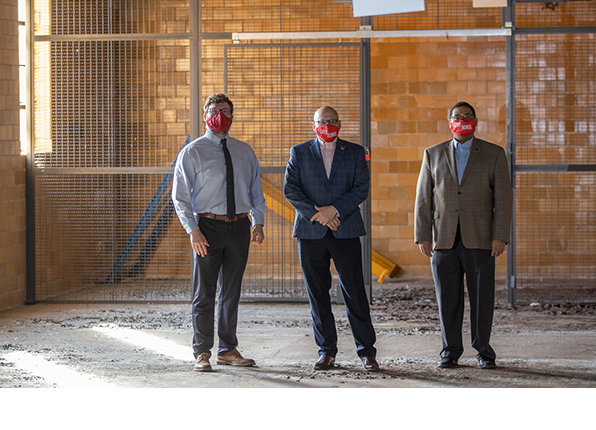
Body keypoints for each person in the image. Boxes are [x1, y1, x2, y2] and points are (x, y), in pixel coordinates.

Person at [414, 101, 513, 369]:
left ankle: (484, 350)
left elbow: (503, 198)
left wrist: (500, 235)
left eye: (467, 116)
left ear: (476, 122)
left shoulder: (493, 153)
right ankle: (450, 350)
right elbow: (423, 198)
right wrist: (423, 235)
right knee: (448, 298)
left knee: (482, 297)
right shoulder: (432, 154)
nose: (462, 120)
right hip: (443, 237)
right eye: (457, 117)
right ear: (450, 123)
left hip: (481, 237)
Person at [172, 93, 265, 372]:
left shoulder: (244, 151)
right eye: (214, 110)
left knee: (231, 291)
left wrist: (257, 222)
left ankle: (227, 349)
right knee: (204, 292)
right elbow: (180, 197)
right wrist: (193, 230)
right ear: (204, 116)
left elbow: (255, 191)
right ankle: (202, 351)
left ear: (232, 117)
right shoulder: (193, 151)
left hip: (238, 226)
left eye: (224, 110)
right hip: (207, 228)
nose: (219, 115)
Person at [284, 106, 379, 372]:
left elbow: (361, 188)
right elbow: (291, 189)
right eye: (322, 122)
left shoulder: (356, 152)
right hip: (310, 232)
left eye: (332, 121)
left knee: (355, 292)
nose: (327, 125)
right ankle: (326, 351)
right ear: (313, 125)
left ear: (340, 123)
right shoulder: (299, 152)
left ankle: (367, 352)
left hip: (345, 230)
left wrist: (334, 211)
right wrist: (320, 216)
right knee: (318, 294)